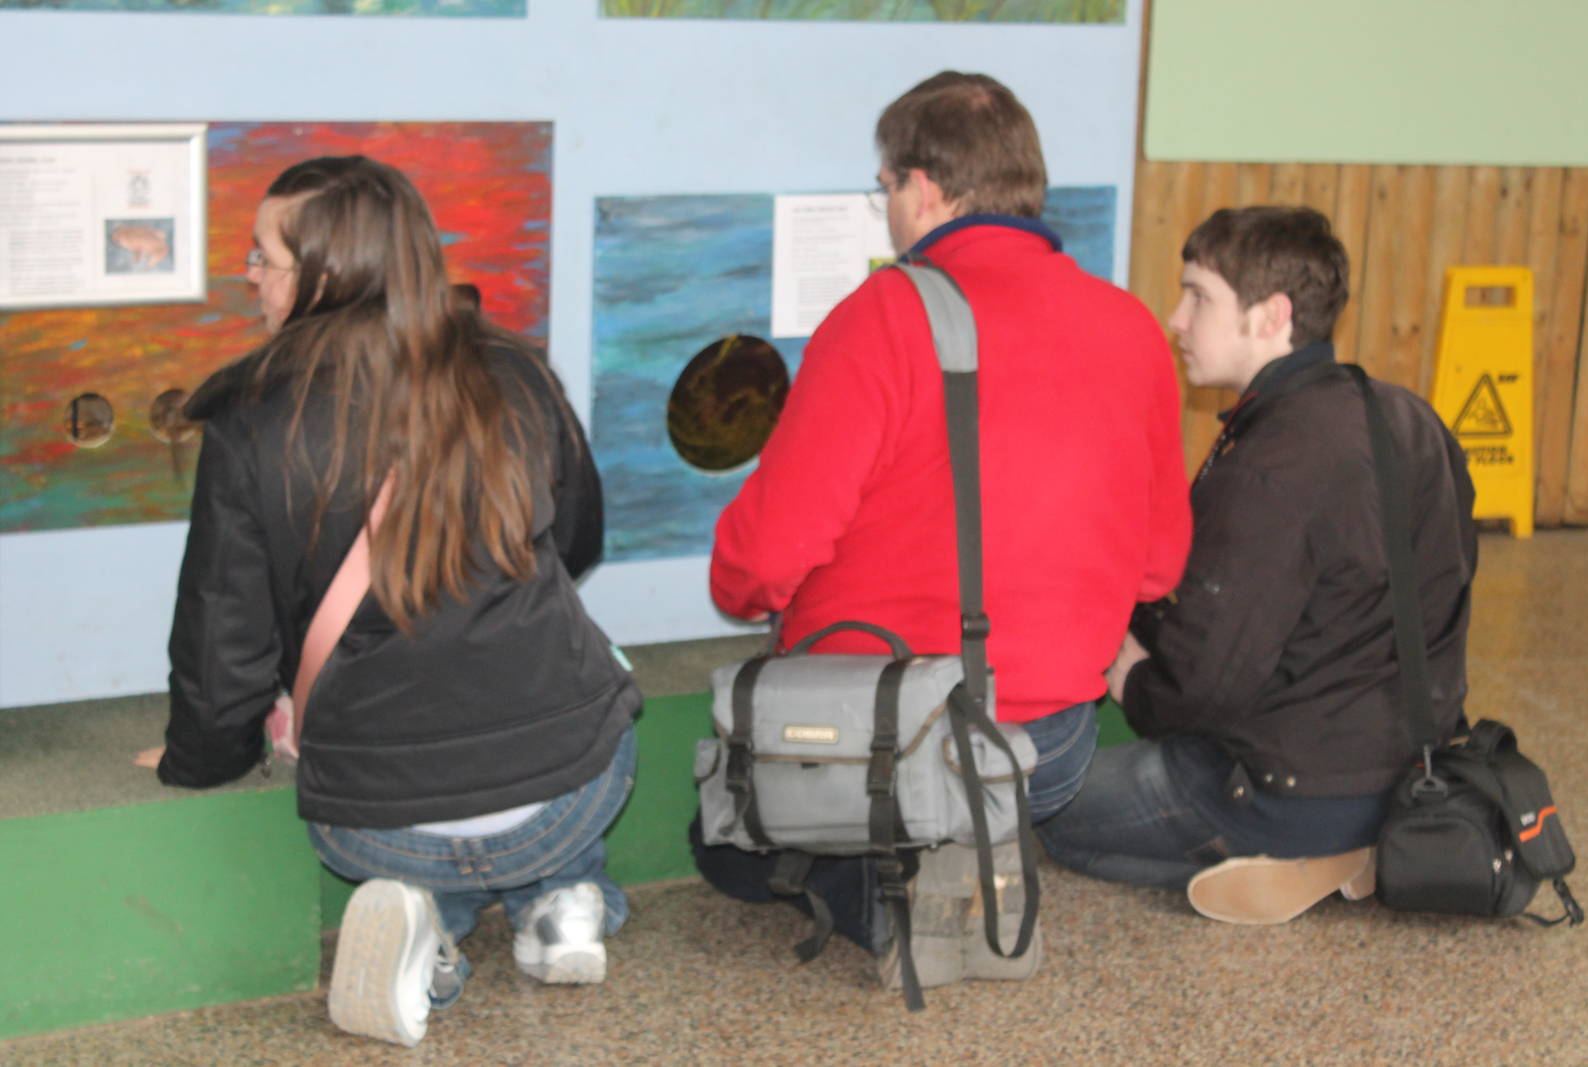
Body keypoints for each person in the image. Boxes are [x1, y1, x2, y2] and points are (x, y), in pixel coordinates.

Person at [693, 71, 1192, 986]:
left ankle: (885, 889)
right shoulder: (1129, 326)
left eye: (884, 187)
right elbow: (1159, 569)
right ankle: (966, 851)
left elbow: (756, 566)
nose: (887, 208)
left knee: (722, 844)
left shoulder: (880, 316)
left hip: (885, 737)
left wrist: (743, 580)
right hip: (1050, 748)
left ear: (922, 187)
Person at [136, 156, 639, 1047]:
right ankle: (564, 900)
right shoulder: (514, 372)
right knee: (585, 712)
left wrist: (198, 760)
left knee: (417, 846)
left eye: (263, 258)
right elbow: (579, 542)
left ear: (327, 272)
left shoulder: (252, 419)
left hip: (378, 824)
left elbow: (225, 642)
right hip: (569, 790)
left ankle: (425, 929)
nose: (249, 275)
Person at [1035, 206, 1477, 924]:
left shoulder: (1274, 462)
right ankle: (1348, 846)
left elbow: (1198, 690)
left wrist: (1130, 674)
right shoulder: (1409, 416)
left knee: (1054, 806)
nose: (1176, 319)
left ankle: (1285, 852)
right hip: (1410, 774)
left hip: (1285, 788)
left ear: (1271, 316)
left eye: (1199, 296)